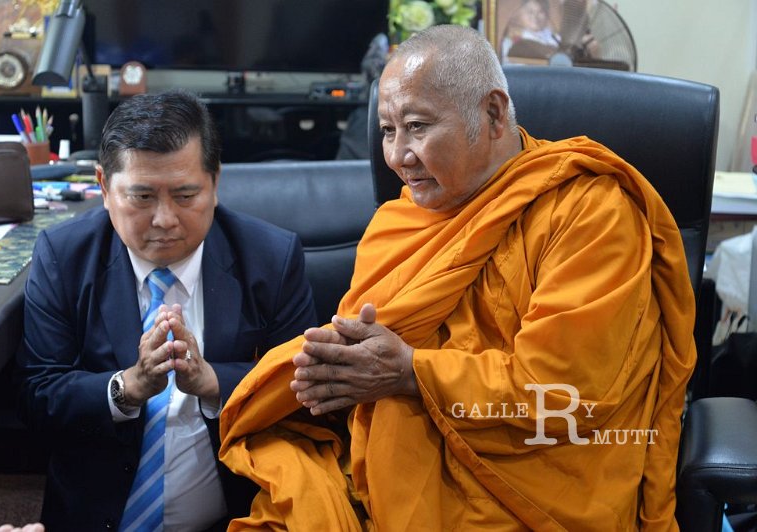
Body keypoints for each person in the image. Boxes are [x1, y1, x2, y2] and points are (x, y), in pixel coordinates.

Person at [218, 25, 696, 530]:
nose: (398, 156)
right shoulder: (398, 223)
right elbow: (361, 377)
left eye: (417, 126)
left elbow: (563, 393)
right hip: (381, 475)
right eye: (387, 131)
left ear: (492, 114)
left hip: (529, 486)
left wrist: (411, 373)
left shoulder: (588, 213)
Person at [17, 90, 317, 530]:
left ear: (215, 183)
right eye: (142, 197)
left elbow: (302, 393)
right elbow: (37, 396)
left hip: (237, 520)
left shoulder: (271, 258)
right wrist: (127, 387)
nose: (165, 219)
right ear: (104, 187)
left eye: (185, 195)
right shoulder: (64, 257)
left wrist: (212, 383)